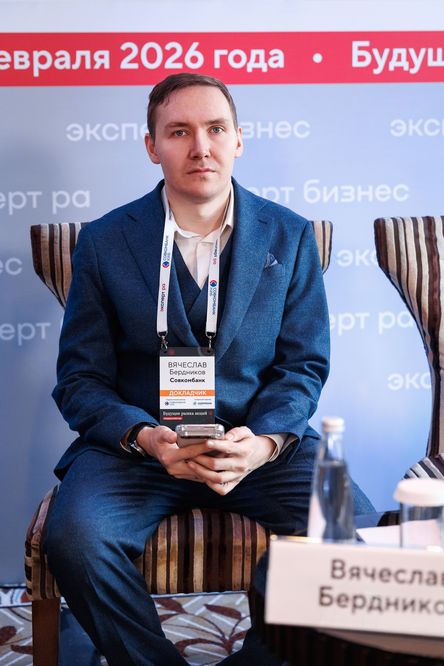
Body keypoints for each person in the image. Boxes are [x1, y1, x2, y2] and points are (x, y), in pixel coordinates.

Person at [44, 73, 373, 665]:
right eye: (179, 132)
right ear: (152, 146)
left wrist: (264, 443)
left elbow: (303, 366)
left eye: (216, 129)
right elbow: (80, 379)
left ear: (238, 140)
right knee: (75, 539)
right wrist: (146, 437)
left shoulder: (290, 235)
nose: (201, 147)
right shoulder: (104, 241)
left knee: (350, 533)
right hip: (141, 450)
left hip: (258, 446)